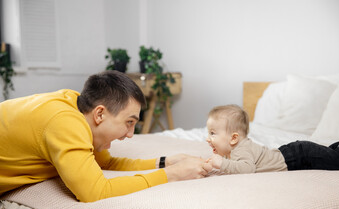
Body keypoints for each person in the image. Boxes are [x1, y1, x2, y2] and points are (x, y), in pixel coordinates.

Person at [0, 70, 212, 202]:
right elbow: (94, 192)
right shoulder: (64, 122)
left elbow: (106, 163)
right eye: (129, 122)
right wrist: (172, 175)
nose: (130, 135)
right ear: (100, 113)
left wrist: (165, 162)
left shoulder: (77, 106)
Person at [206, 104, 339, 174]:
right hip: (293, 154)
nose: (208, 138)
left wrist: (222, 163)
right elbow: (235, 165)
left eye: (213, 133)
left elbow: (247, 169)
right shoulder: (236, 149)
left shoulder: (242, 149)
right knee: (328, 156)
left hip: (300, 156)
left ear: (233, 138)